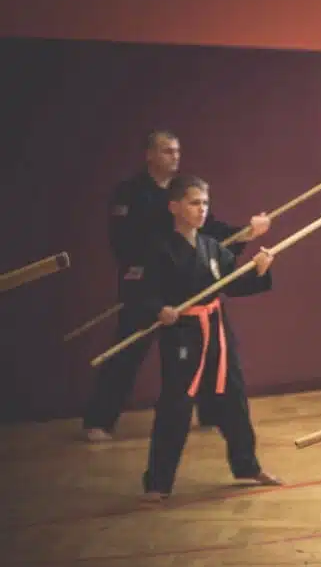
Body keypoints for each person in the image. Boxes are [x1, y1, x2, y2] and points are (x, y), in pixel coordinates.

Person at [81, 130, 271, 441]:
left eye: (177, 151)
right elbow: (122, 242)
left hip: (188, 284)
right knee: (128, 351)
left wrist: (246, 233)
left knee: (206, 345)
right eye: (168, 151)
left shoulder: (185, 191)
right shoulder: (130, 193)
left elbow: (211, 231)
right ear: (149, 155)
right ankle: (99, 420)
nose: (175, 157)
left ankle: (211, 412)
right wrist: (144, 284)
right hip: (148, 282)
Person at [121, 175, 282, 502]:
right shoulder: (159, 248)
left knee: (234, 400)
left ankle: (247, 466)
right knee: (175, 406)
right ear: (174, 206)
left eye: (205, 203)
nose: (201, 209)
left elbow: (232, 285)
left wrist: (259, 269)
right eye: (194, 203)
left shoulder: (212, 247)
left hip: (217, 331)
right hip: (183, 335)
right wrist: (159, 309)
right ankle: (158, 482)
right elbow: (140, 292)